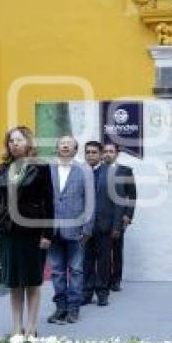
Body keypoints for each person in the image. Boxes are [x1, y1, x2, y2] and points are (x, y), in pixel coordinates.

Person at [0, 126, 54, 336]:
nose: (14, 144)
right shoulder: (1, 169)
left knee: (33, 280)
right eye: (11, 141)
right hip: (7, 231)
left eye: (19, 140)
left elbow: (49, 202)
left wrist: (47, 234)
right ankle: (17, 327)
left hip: (33, 231)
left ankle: (32, 327)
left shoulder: (41, 168)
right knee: (14, 281)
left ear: (28, 144)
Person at [47, 135, 93, 325]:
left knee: (76, 270)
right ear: (56, 148)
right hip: (52, 229)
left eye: (69, 144)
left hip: (76, 230)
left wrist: (88, 228)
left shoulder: (84, 170)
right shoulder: (47, 169)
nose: (65, 145)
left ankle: (74, 308)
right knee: (57, 271)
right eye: (61, 143)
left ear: (75, 149)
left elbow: (90, 201)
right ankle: (60, 308)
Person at [81, 141, 125, 307]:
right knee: (86, 261)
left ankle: (102, 293)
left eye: (94, 152)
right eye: (88, 152)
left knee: (104, 261)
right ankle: (86, 292)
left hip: (104, 225)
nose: (90, 155)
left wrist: (116, 226)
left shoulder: (112, 172)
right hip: (84, 227)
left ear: (100, 155)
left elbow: (119, 201)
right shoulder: (80, 172)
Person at [101, 142, 136, 292]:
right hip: (101, 218)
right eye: (105, 151)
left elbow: (132, 195)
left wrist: (128, 215)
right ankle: (104, 280)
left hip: (118, 218)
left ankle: (116, 281)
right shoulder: (97, 170)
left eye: (111, 151)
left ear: (116, 154)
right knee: (103, 251)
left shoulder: (125, 171)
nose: (108, 154)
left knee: (116, 250)